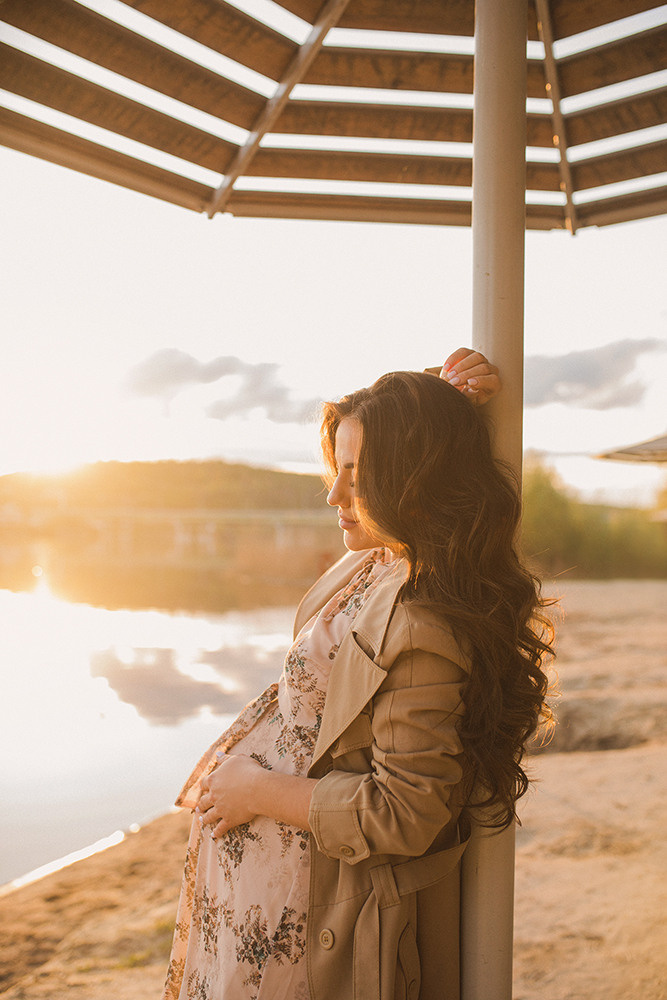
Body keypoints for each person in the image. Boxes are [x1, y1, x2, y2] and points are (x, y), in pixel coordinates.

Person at [162, 350, 554, 1000]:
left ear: (412, 480)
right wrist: (441, 393)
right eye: (338, 469)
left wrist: (255, 791)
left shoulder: (425, 619)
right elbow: (414, 434)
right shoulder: (382, 558)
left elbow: (405, 811)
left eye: (359, 476)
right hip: (268, 898)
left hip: (308, 913)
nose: (334, 495)